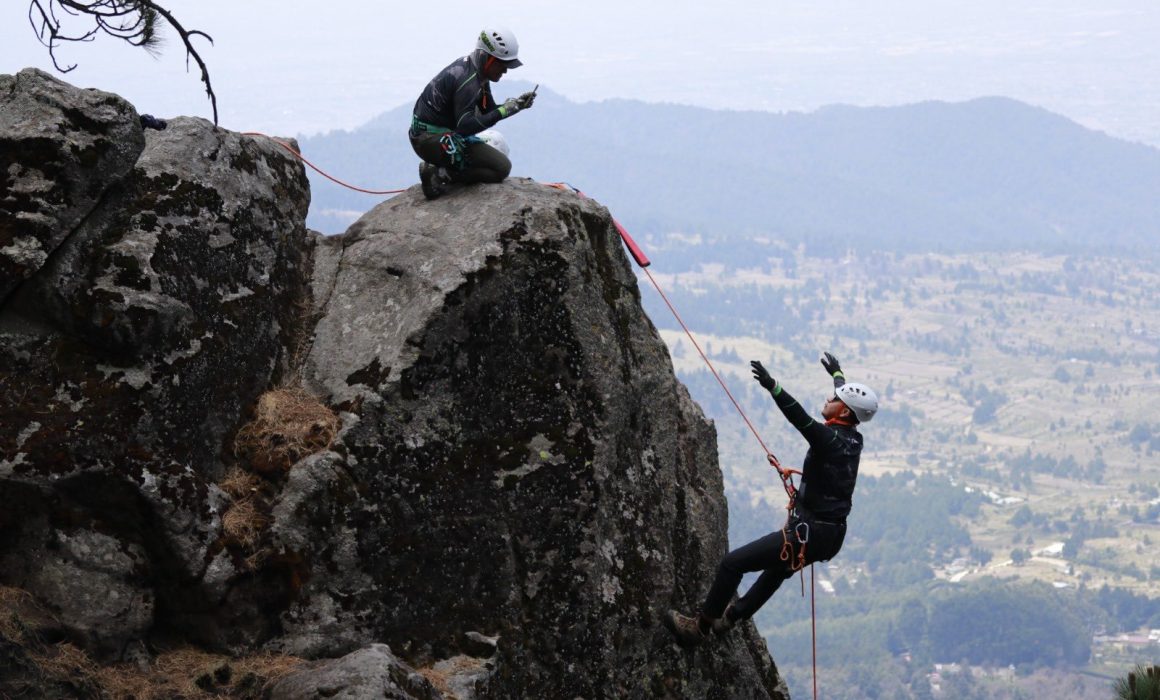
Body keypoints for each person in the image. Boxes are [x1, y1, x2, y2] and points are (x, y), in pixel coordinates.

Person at [663, 352, 879, 647]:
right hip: (828, 535)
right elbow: (846, 406)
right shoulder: (852, 437)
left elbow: (799, 418)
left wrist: (772, 386)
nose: (829, 399)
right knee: (778, 570)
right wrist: (837, 373)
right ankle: (732, 618)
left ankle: (699, 629)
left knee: (732, 564)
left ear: (842, 413)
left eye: (834, 398)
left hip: (810, 533)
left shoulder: (829, 440)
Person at [409, 26, 537, 200]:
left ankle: (441, 171)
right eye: (502, 64)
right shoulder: (468, 81)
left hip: (433, 135)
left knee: (500, 166)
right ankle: (439, 174)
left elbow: (489, 111)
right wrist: (504, 110)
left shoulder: (476, 72)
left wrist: (515, 106)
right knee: (500, 169)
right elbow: (465, 127)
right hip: (431, 139)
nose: (505, 70)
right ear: (488, 59)